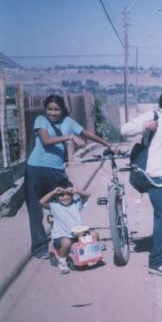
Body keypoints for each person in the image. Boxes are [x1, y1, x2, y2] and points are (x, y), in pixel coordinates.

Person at [26, 94, 116, 259]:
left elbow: (87, 133)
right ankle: (39, 248)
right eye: (50, 109)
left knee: (67, 203)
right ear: (46, 110)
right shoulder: (40, 120)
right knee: (35, 209)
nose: (53, 113)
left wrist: (108, 144)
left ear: (62, 110)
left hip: (56, 171)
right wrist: (69, 137)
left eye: (56, 109)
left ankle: (65, 240)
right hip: (36, 169)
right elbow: (46, 141)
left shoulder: (68, 122)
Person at [120, 86, 162, 277]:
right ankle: (157, 261)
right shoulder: (153, 115)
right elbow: (124, 129)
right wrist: (145, 125)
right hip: (156, 175)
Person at [40, 179, 99, 274]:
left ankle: (93, 251)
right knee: (66, 242)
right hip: (62, 236)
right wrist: (54, 191)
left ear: (72, 195)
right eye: (61, 195)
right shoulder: (55, 206)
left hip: (78, 233)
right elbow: (42, 202)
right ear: (57, 196)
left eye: (68, 194)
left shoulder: (76, 203)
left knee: (94, 234)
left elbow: (88, 195)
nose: (65, 197)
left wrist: (76, 190)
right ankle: (62, 261)